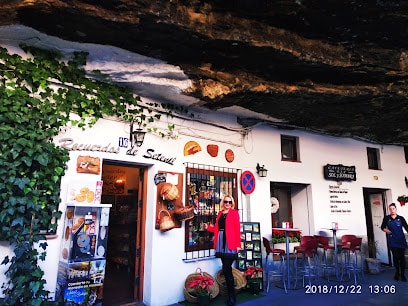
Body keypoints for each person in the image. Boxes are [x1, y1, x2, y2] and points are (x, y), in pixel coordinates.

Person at [203, 195, 241, 306]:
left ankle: (232, 297)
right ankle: (231, 295)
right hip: (221, 242)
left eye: (229, 202)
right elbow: (217, 228)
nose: (227, 204)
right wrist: (207, 227)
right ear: (223, 202)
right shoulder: (220, 213)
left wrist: (238, 245)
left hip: (230, 242)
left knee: (226, 268)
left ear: (232, 203)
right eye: (226, 201)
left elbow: (237, 229)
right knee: (226, 269)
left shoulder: (234, 213)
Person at [380, 203, 408, 281]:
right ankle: (397, 273)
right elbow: (382, 227)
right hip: (392, 241)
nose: (392, 210)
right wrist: (386, 230)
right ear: (389, 210)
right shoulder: (387, 218)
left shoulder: (401, 218)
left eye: (393, 209)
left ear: (396, 209)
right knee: (395, 257)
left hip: (401, 240)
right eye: (390, 209)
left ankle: (402, 274)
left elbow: (406, 227)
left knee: (402, 258)